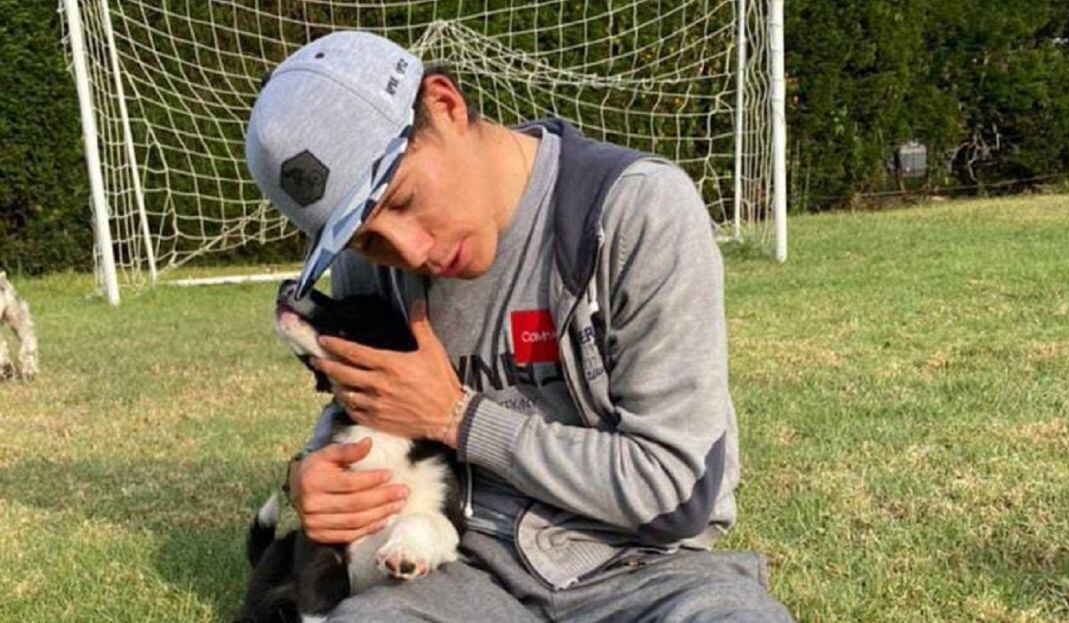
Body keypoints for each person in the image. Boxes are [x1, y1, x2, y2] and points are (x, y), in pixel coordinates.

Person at [245, 30, 793, 622]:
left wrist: (456, 417)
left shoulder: (636, 211)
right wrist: (314, 479)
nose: (409, 250)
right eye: (366, 238)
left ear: (445, 105)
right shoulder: (371, 267)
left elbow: (675, 494)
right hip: (458, 567)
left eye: (402, 200)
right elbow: (366, 402)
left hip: (648, 570)